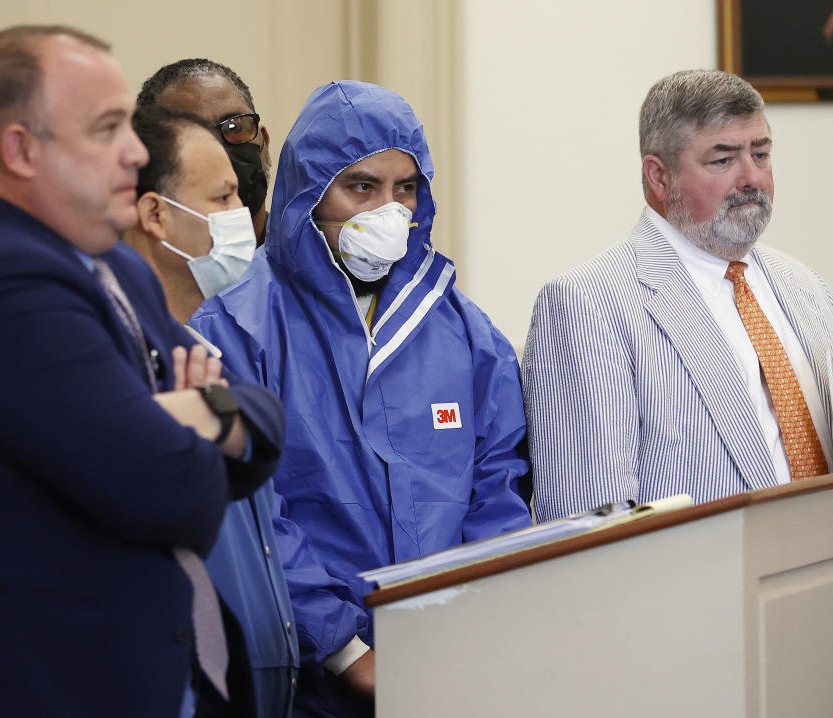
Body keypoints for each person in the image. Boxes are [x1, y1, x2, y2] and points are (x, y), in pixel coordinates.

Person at [0, 25, 284, 717]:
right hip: (27, 688)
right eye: (107, 127)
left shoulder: (115, 266)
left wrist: (199, 410)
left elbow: (265, 428)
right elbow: (174, 494)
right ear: (20, 150)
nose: (134, 150)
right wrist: (199, 425)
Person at [191, 81, 533, 717]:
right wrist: (346, 650)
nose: (388, 211)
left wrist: (484, 621)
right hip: (309, 680)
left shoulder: (462, 329)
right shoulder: (238, 329)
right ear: (308, 195)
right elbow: (250, 509)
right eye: (362, 188)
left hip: (451, 666)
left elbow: (498, 488)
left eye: (405, 189)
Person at [523, 69, 833, 523]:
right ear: (659, 177)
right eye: (722, 160)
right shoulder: (587, 305)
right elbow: (589, 525)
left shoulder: (803, 283)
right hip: (702, 588)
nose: (751, 177)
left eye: (761, 154)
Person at [123, 102, 299, 717]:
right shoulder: (108, 359)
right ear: (156, 215)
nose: (241, 220)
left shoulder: (204, 349)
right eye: (222, 199)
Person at [137, 59, 273, 245]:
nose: (219, 152)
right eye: (193, 135)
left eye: (234, 127)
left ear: (264, 143)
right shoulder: (120, 271)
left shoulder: (315, 264)